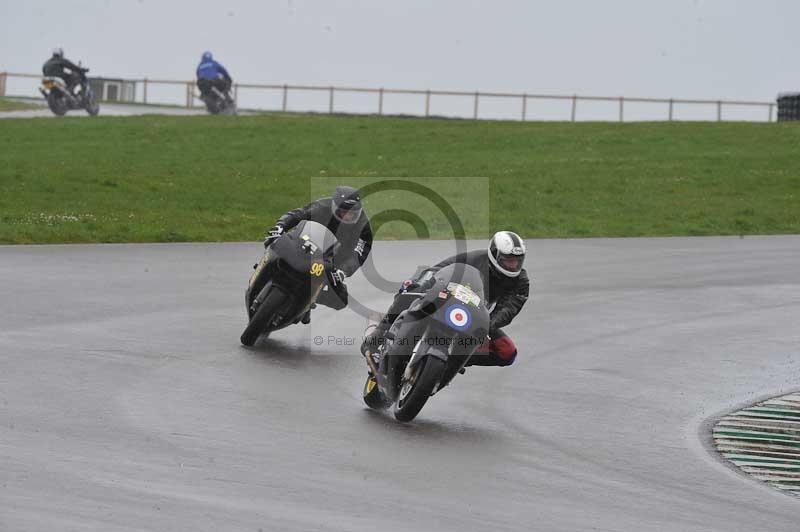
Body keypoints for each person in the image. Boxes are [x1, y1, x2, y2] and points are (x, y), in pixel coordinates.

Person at [362, 230, 529, 368]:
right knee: (409, 292)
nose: (512, 266)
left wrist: (487, 325)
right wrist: (421, 284)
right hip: (448, 298)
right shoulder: (476, 258)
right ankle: (377, 337)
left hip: (478, 314)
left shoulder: (520, 282)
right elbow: (441, 268)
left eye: (516, 262)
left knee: (507, 352)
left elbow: (509, 309)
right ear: (494, 255)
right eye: (507, 261)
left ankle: (454, 361)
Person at [264, 186, 373, 322]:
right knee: (273, 243)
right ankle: (265, 268)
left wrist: (343, 271)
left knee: (341, 299)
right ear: (334, 207)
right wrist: (280, 226)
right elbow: (299, 214)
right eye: (343, 212)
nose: (347, 216)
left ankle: (307, 302)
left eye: (352, 213)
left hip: (333, 260)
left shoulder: (364, 227)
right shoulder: (322, 205)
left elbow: (359, 255)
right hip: (306, 243)